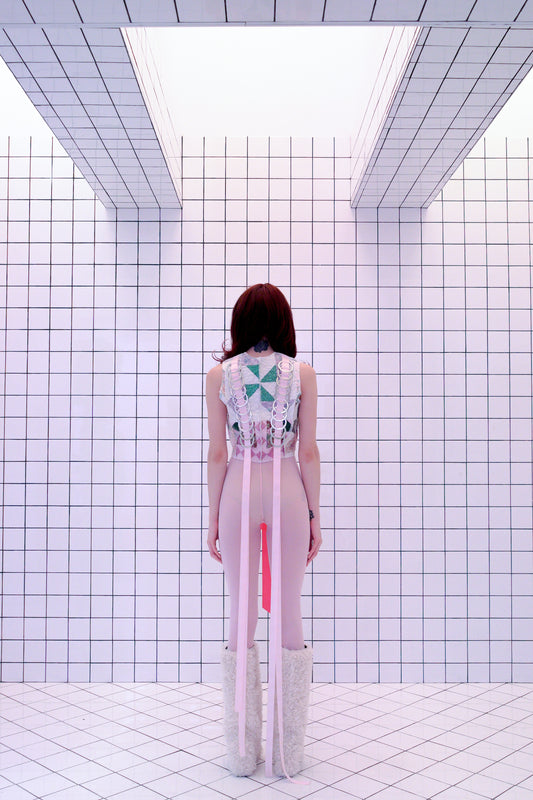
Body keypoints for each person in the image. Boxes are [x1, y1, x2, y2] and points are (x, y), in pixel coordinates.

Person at [205, 283, 322, 780]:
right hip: (287, 488)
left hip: (237, 486)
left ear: (241, 321)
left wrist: (212, 516)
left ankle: (240, 753)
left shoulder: (220, 375)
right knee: (289, 608)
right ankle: (286, 754)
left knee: (240, 609)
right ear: (283, 321)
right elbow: (307, 452)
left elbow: (218, 452)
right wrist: (315, 515)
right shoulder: (302, 374)